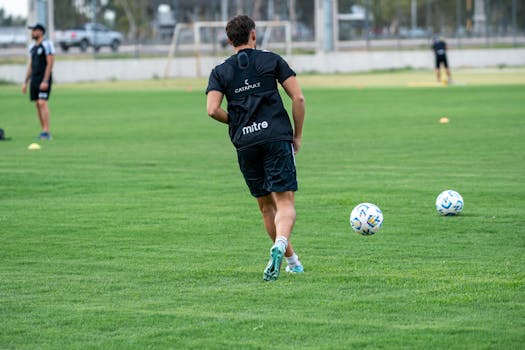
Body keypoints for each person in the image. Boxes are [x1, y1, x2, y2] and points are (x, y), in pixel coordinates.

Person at [206, 15, 306, 281]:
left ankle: (293, 262)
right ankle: (281, 245)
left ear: (229, 40)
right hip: (276, 137)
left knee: (265, 207)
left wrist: (237, 121)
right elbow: (298, 97)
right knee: (284, 202)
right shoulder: (271, 60)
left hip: (246, 142)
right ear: (254, 35)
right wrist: (297, 135)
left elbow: (212, 110)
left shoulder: (220, 71)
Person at [22, 23, 55, 140]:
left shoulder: (47, 44)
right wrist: (25, 82)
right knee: (37, 104)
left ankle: (47, 131)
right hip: (34, 80)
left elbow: (50, 63)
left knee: (42, 102)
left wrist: (45, 80)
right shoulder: (32, 47)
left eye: (34, 30)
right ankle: (43, 131)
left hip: (43, 79)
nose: (32, 33)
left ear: (41, 32)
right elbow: (31, 66)